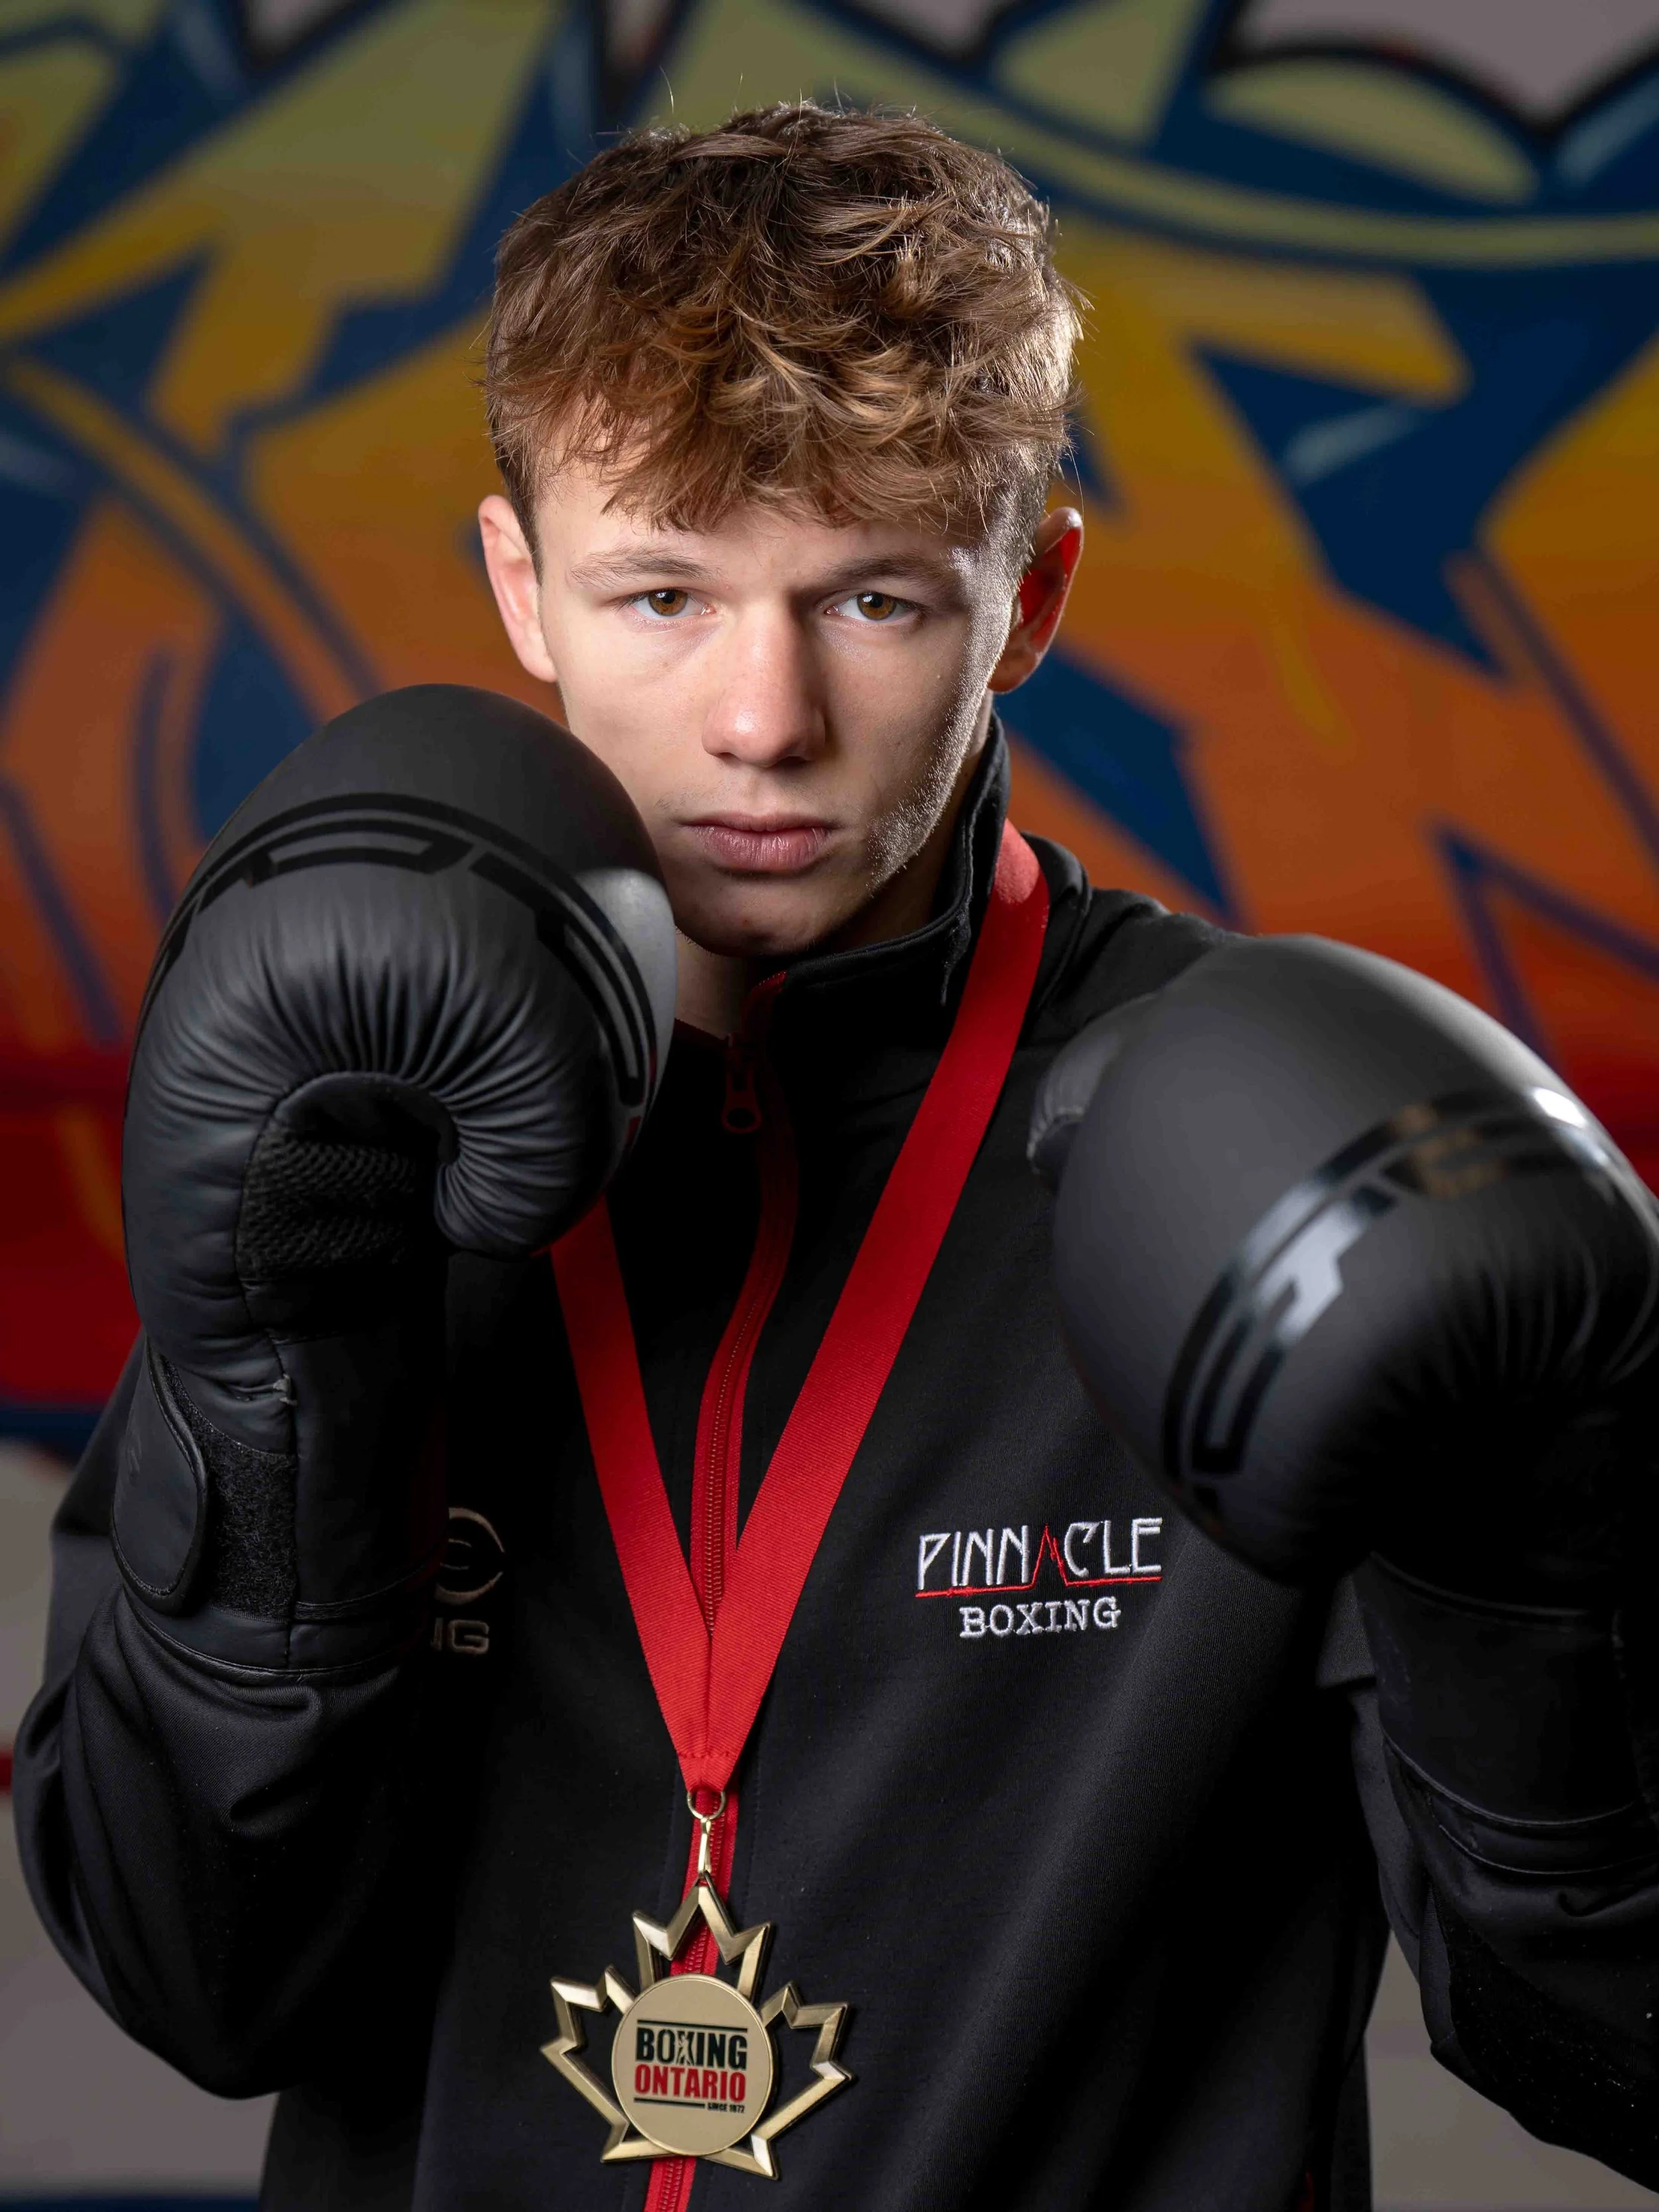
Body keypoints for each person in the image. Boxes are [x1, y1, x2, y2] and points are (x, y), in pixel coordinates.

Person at [15, 102, 1658, 2212]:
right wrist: (280, 1395)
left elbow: (1603, 2048)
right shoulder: (340, 1104)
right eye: (661, 591)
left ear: (1031, 593)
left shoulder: (1288, 1162)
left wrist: (1535, 1570)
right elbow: (192, 1982)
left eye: (871, 596)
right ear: (521, 586)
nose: (762, 717)